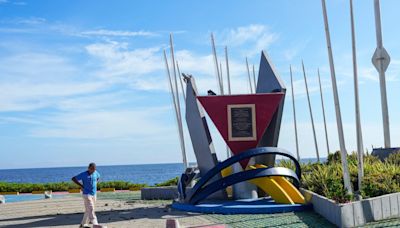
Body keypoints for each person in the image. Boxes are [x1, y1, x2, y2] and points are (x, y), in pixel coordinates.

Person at [72, 163, 101, 228]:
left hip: (94, 194)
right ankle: (95, 224)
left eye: (94, 169)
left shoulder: (96, 173)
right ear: (88, 168)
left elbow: (98, 177)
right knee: (91, 208)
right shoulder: (83, 174)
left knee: (88, 210)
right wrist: (81, 185)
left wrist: (95, 183)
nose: (92, 171)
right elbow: (73, 178)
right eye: (91, 169)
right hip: (86, 194)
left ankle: (82, 224)